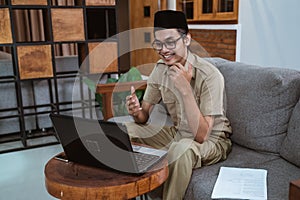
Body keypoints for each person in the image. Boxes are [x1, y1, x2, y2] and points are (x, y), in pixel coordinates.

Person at [125, 10, 232, 200]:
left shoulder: (210, 76)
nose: (163, 50)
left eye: (170, 42)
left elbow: (202, 135)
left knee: (181, 148)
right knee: (123, 130)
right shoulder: (160, 70)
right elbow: (144, 117)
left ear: (187, 39)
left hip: (212, 140)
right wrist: (136, 111)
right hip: (177, 134)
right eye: (158, 44)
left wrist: (185, 90)